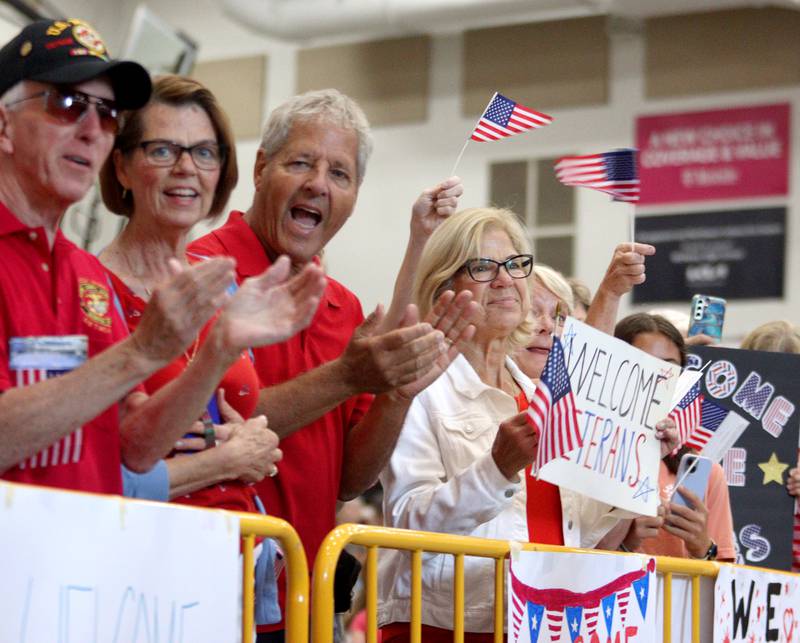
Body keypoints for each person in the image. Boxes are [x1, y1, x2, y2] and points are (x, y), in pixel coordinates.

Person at [189, 88, 476, 641]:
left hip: (307, 604)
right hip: (216, 597)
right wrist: (347, 376)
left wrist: (397, 395)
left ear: (354, 197)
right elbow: (223, 431)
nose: (319, 183)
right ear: (260, 166)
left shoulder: (343, 305)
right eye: (301, 162)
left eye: (339, 174)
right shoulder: (200, 273)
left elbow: (351, 479)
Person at [0, 18, 319, 502]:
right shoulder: (97, 274)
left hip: (80, 566)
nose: (91, 130)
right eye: (66, 104)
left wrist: (218, 349)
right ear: (4, 124)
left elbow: (134, 449)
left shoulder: (82, 273)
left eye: (106, 114)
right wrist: (142, 352)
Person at [377, 209, 666, 641]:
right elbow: (405, 522)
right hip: (449, 626)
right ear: (444, 288)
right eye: (481, 267)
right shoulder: (419, 388)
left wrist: (634, 460)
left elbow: (579, 532)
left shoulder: (540, 395)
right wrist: (494, 468)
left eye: (514, 265)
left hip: (550, 623)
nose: (504, 279)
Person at [98, 75, 288, 511]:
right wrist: (226, 458)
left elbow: (247, 425)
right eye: (162, 150)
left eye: (204, 152)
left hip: (240, 552)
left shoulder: (224, 284)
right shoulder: (92, 287)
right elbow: (100, 467)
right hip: (145, 556)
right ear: (122, 166)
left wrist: (254, 439)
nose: (186, 167)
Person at [606, 313, 735, 562]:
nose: (657, 379)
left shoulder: (704, 472)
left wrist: (702, 546)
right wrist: (624, 543)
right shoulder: (587, 456)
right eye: (643, 365)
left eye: (670, 369)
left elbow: (725, 584)